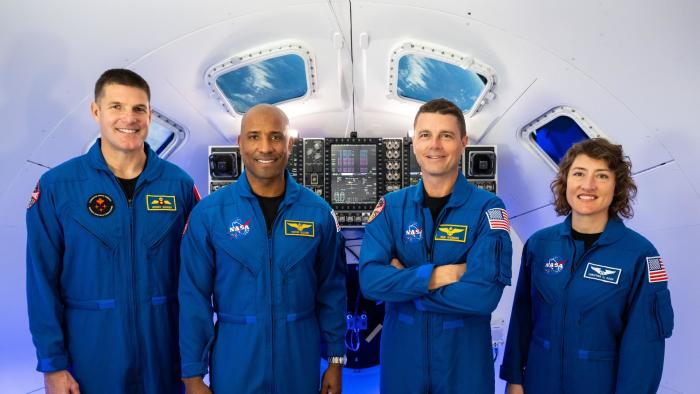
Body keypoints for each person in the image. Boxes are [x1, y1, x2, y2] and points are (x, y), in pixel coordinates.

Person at [26, 69, 199, 393]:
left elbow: (198, 281)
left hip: (164, 356)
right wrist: (53, 366)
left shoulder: (179, 186)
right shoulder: (58, 188)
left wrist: (194, 366)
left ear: (149, 114)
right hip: (91, 359)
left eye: (138, 109)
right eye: (116, 106)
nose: (128, 118)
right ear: (96, 111)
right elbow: (41, 282)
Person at [179, 104, 347, 394]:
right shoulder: (209, 214)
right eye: (254, 136)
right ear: (240, 143)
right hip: (236, 356)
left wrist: (335, 360)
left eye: (275, 137)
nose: (265, 147)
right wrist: (193, 374)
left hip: (299, 357)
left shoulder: (318, 213)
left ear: (290, 143)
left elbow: (331, 290)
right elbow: (194, 297)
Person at [358, 98, 513, 393]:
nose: (435, 145)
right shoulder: (390, 208)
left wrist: (407, 286)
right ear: (413, 142)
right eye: (426, 135)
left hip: (463, 364)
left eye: (446, 135)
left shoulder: (488, 209)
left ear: (463, 142)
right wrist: (441, 275)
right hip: (402, 363)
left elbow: (483, 296)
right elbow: (371, 282)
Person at [500, 138, 674, 393]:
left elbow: (644, 347)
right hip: (539, 382)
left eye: (602, 176)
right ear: (566, 181)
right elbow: (522, 318)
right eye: (579, 173)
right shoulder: (540, 244)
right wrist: (514, 379)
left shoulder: (640, 255)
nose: (588, 185)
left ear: (617, 186)